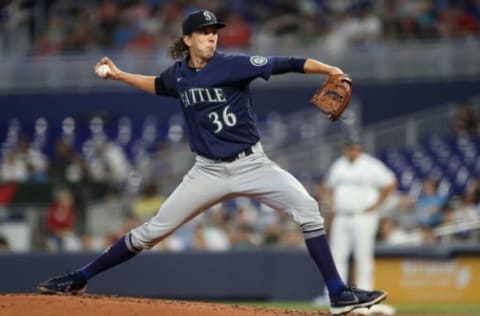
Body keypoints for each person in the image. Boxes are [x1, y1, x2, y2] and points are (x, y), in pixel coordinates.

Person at [37, 10, 386, 315]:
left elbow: (286, 63)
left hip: (254, 165)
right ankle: (79, 277)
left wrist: (328, 68)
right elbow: (158, 85)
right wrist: (119, 75)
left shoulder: (232, 64)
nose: (211, 37)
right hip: (207, 170)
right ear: (187, 39)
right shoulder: (179, 75)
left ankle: (338, 293)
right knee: (151, 232)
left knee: (308, 209)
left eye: (214, 31)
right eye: (204, 32)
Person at [318, 136, 397, 315]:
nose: (352, 150)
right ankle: (333, 294)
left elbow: (391, 183)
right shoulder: (338, 165)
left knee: (363, 257)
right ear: (345, 149)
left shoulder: (371, 165)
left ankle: (366, 296)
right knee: (337, 256)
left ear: (359, 148)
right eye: (349, 147)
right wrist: (331, 206)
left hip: (364, 216)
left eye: (355, 147)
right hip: (342, 216)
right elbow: (328, 187)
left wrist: (376, 206)